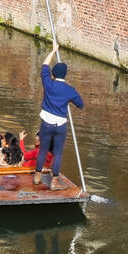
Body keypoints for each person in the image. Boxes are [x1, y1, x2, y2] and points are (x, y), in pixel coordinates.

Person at [35, 44, 84, 190]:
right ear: (65, 75)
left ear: (53, 74)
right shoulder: (70, 90)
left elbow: (45, 65)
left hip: (46, 122)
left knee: (43, 150)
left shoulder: (48, 82)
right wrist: (69, 98)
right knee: (57, 153)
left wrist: (53, 51)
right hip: (60, 125)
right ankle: (54, 182)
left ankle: (37, 177)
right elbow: (80, 105)